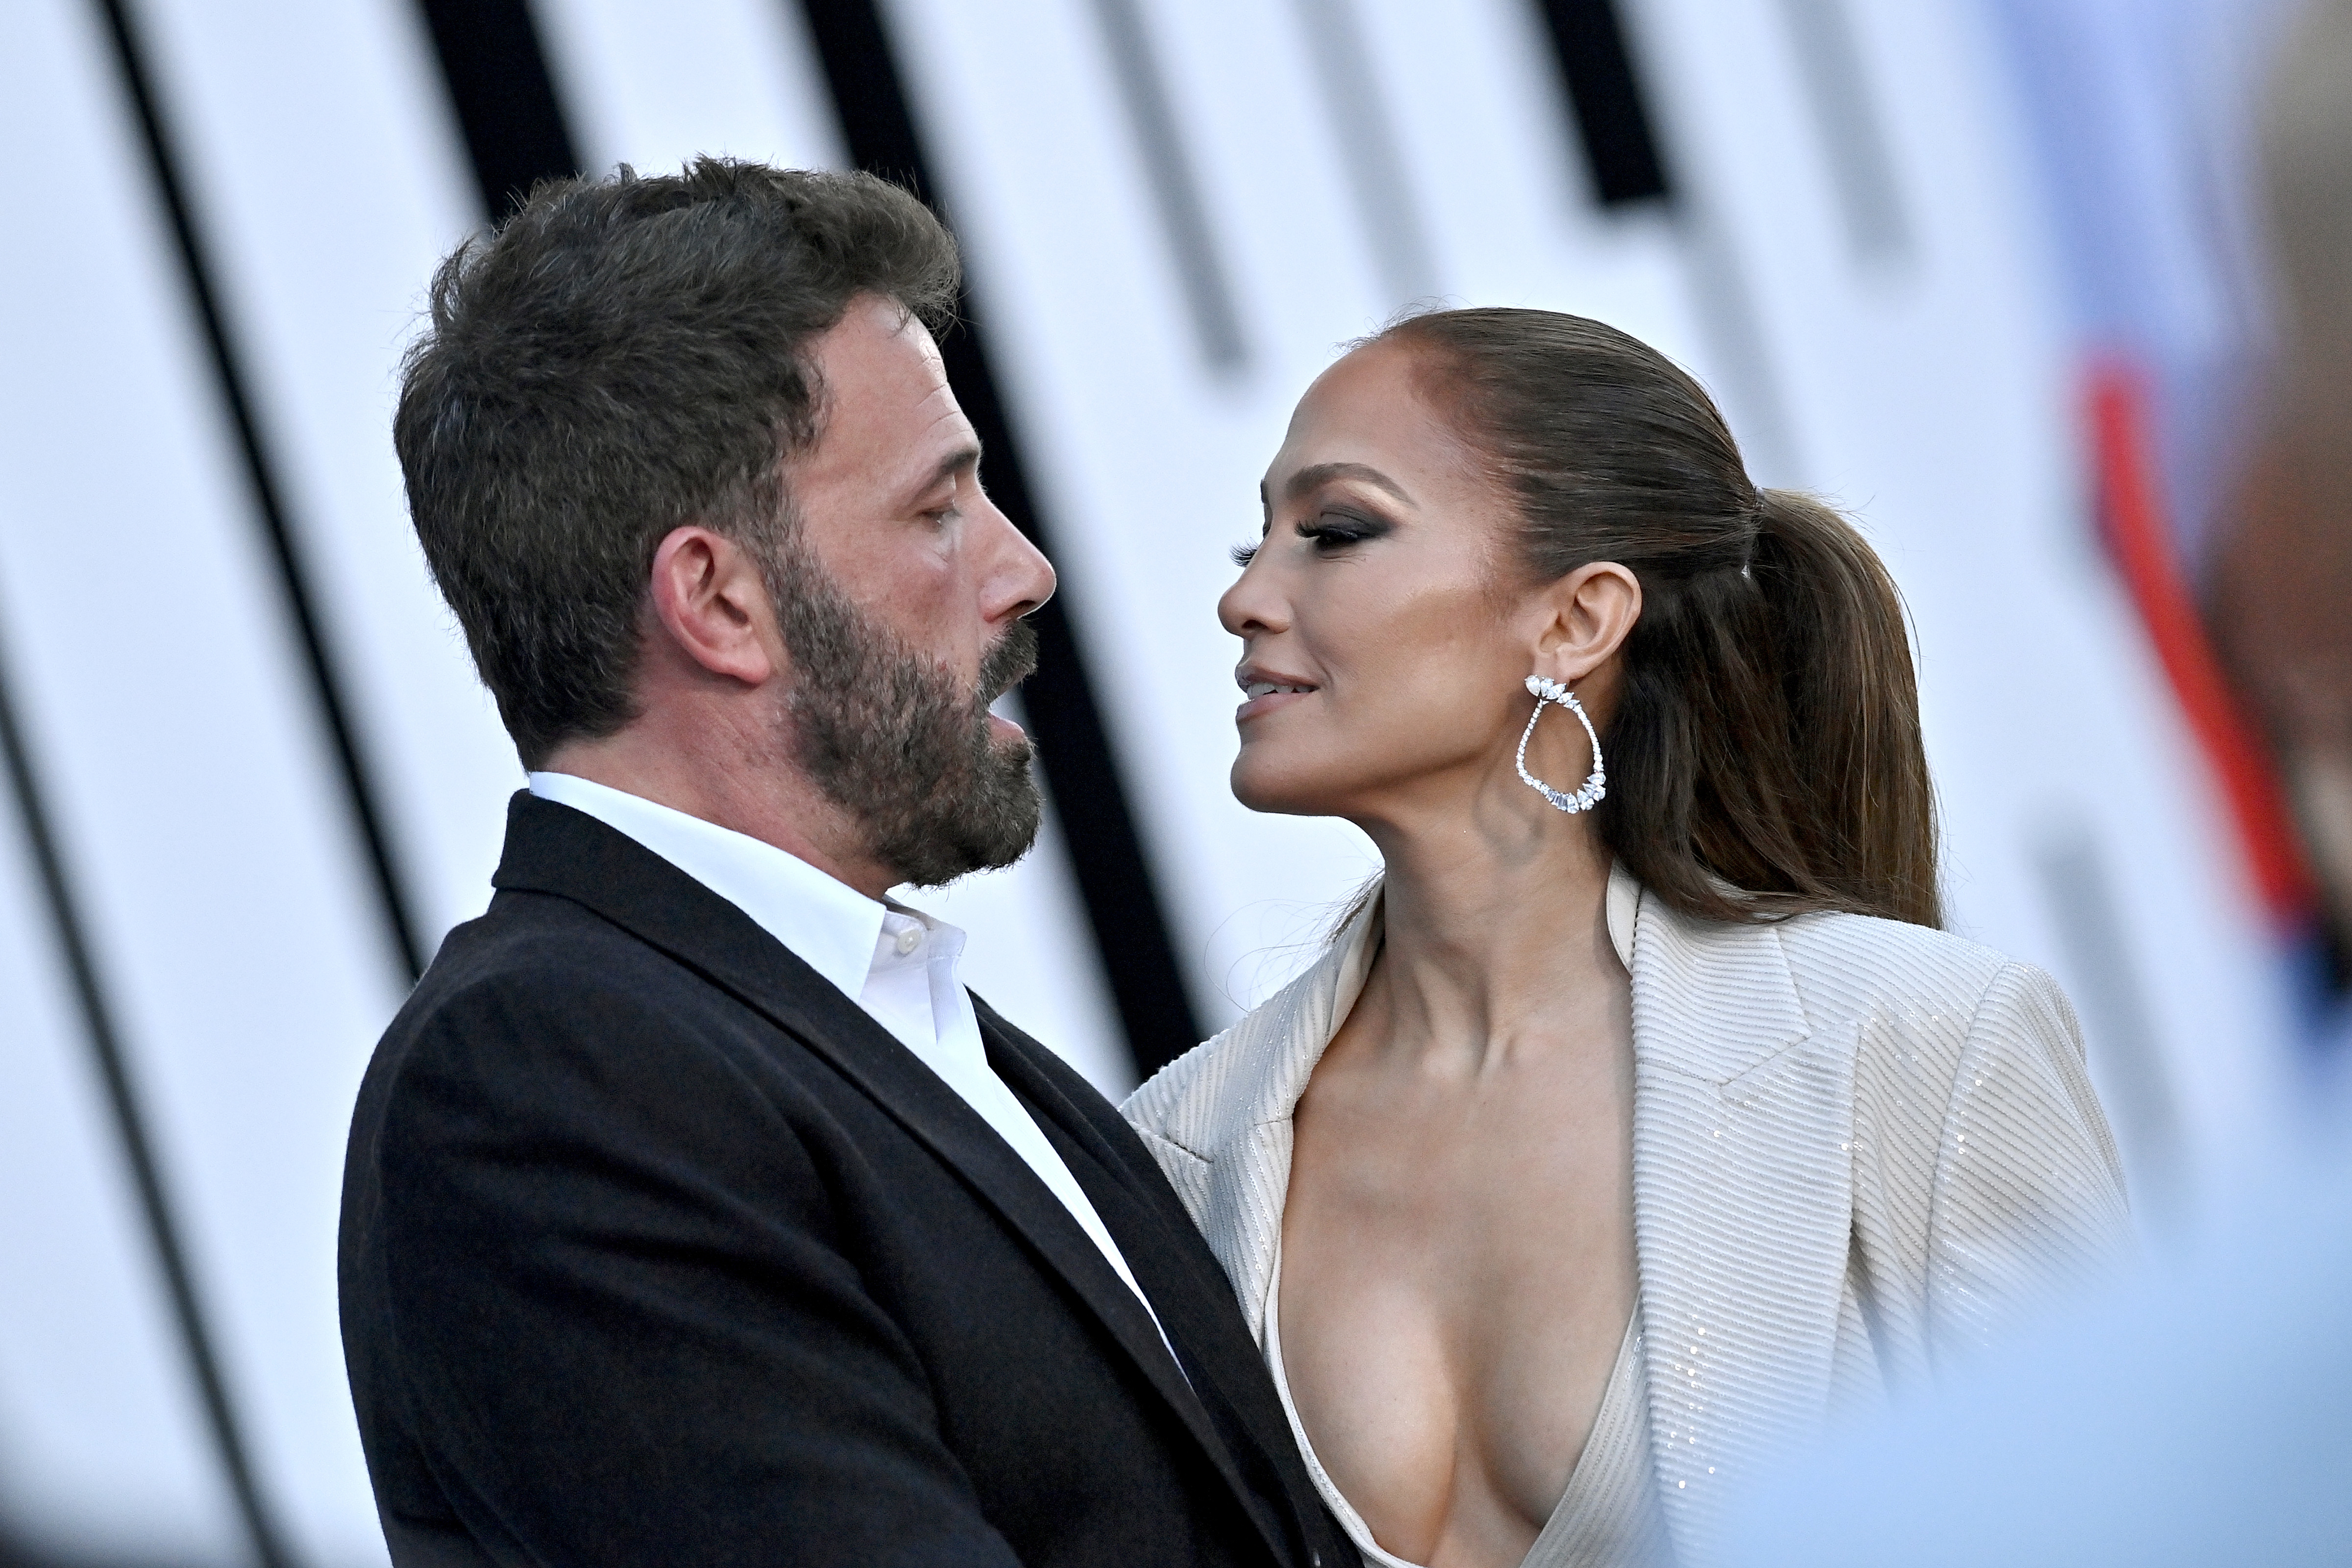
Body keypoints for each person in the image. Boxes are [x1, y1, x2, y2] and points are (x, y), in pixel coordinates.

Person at [337, 159, 1352, 1568]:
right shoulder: (547, 1077)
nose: (1022, 569)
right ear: (718, 599)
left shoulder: (903, 1035)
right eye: (937, 509)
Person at [1121, 307, 2134, 1568]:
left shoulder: (1916, 1042)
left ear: (1574, 619)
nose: (1243, 596)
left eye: (1332, 532)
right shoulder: (1176, 1150)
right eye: (1255, 538)